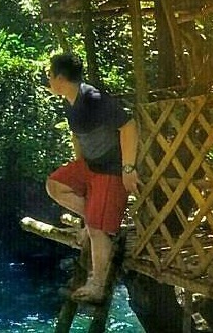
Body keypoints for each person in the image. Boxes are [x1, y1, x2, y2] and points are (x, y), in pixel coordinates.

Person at [45, 52, 139, 302]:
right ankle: (93, 217)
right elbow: (77, 136)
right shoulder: (69, 101)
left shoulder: (93, 98)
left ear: (61, 78)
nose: (48, 81)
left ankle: (97, 285)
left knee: (97, 230)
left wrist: (128, 168)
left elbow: (128, 125)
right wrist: (79, 168)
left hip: (110, 169)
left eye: (50, 75)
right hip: (90, 166)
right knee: (55, 184)